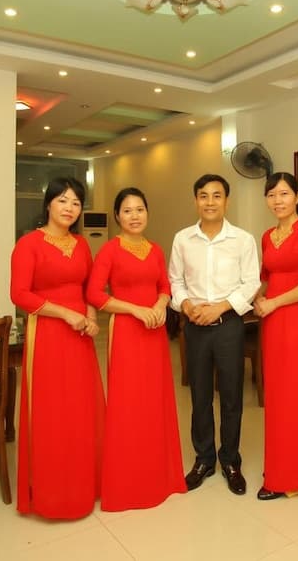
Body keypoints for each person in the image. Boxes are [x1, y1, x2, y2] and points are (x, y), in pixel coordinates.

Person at [85, 187, 186, 511]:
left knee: (155, 400)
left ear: (147, 213)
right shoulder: (109, 251)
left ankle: (160, 476)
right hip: (127, 332)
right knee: (128, 403)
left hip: (154, 332)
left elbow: (165, 285)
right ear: (117, 216)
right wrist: (135, 309)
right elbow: (94, 294)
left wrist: (159, 304)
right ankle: (129, 481)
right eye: (127, 211)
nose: (134, 216)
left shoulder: (155, 249)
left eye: (139, 209)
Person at [10, 177, 105, 519]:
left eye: (76, 202)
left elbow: (90, 288)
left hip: (80, 337)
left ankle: (84, 485)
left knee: (81, 409)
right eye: (63, 200)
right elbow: (19, 295)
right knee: (52, 412)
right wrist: (66, 314)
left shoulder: (81, 244)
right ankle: (52, 494)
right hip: (48, 334)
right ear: (48, 203)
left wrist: (91, 317)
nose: (69, 208)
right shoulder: (28, 244)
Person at [168, 174, 260, 495]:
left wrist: (220, 307)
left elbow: (251, 282)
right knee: (200, 396)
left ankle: (230, 460)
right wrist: (186, 305)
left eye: (216, 196)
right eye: (204, 196)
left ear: (226, 201)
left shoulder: (242, 240)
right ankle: (204, 459)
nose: (210, 202)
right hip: (195, 326)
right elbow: (175, 281)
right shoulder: (182, 239)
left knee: (232, 397)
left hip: (228, 325)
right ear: (196, 200)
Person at [252, 172, 298, 500]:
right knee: (276, 395)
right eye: (271, 195)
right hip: (271, 322)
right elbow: (266, 277)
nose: (277, 200)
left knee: (295, 395)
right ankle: (279, 467)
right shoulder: (267, 236)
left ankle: (293, 477)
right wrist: (258, 298)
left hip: (297, 319)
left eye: (284, 194)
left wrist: (274, 302)